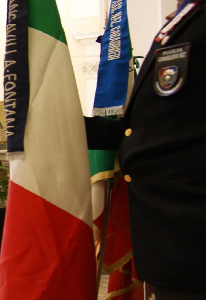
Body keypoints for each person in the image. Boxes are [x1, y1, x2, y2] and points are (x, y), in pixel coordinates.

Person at [85, 1, 206, 298]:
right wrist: (63, 127)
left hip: (190, 229)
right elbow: (142, 127)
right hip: (169, 234)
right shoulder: (184, 19)